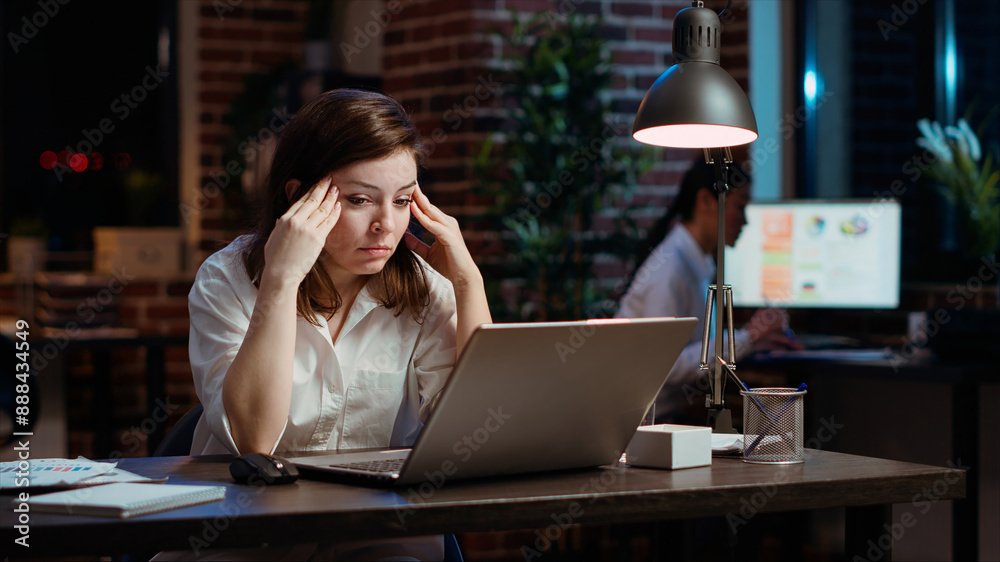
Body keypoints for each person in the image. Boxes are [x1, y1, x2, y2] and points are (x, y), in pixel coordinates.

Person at [182, 88, 492, 560]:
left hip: (378, 532)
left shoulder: (426, 288)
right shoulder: (227, 278)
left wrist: (469, 283)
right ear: (299, 197)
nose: (386, 224)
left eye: (404, 200)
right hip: (248, 536)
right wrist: (282, 281)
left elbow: (475, 434)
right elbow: (256, 441)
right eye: (361, 199)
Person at [615, 158, 801, 424]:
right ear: (705, 201)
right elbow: (665, 367)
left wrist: (752, 340)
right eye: (740, 206)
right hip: (639, 427)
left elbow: (690, 348)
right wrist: (748, 337)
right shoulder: (670, 271)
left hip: (659, 419)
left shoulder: (694, 263)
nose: (746, 221)